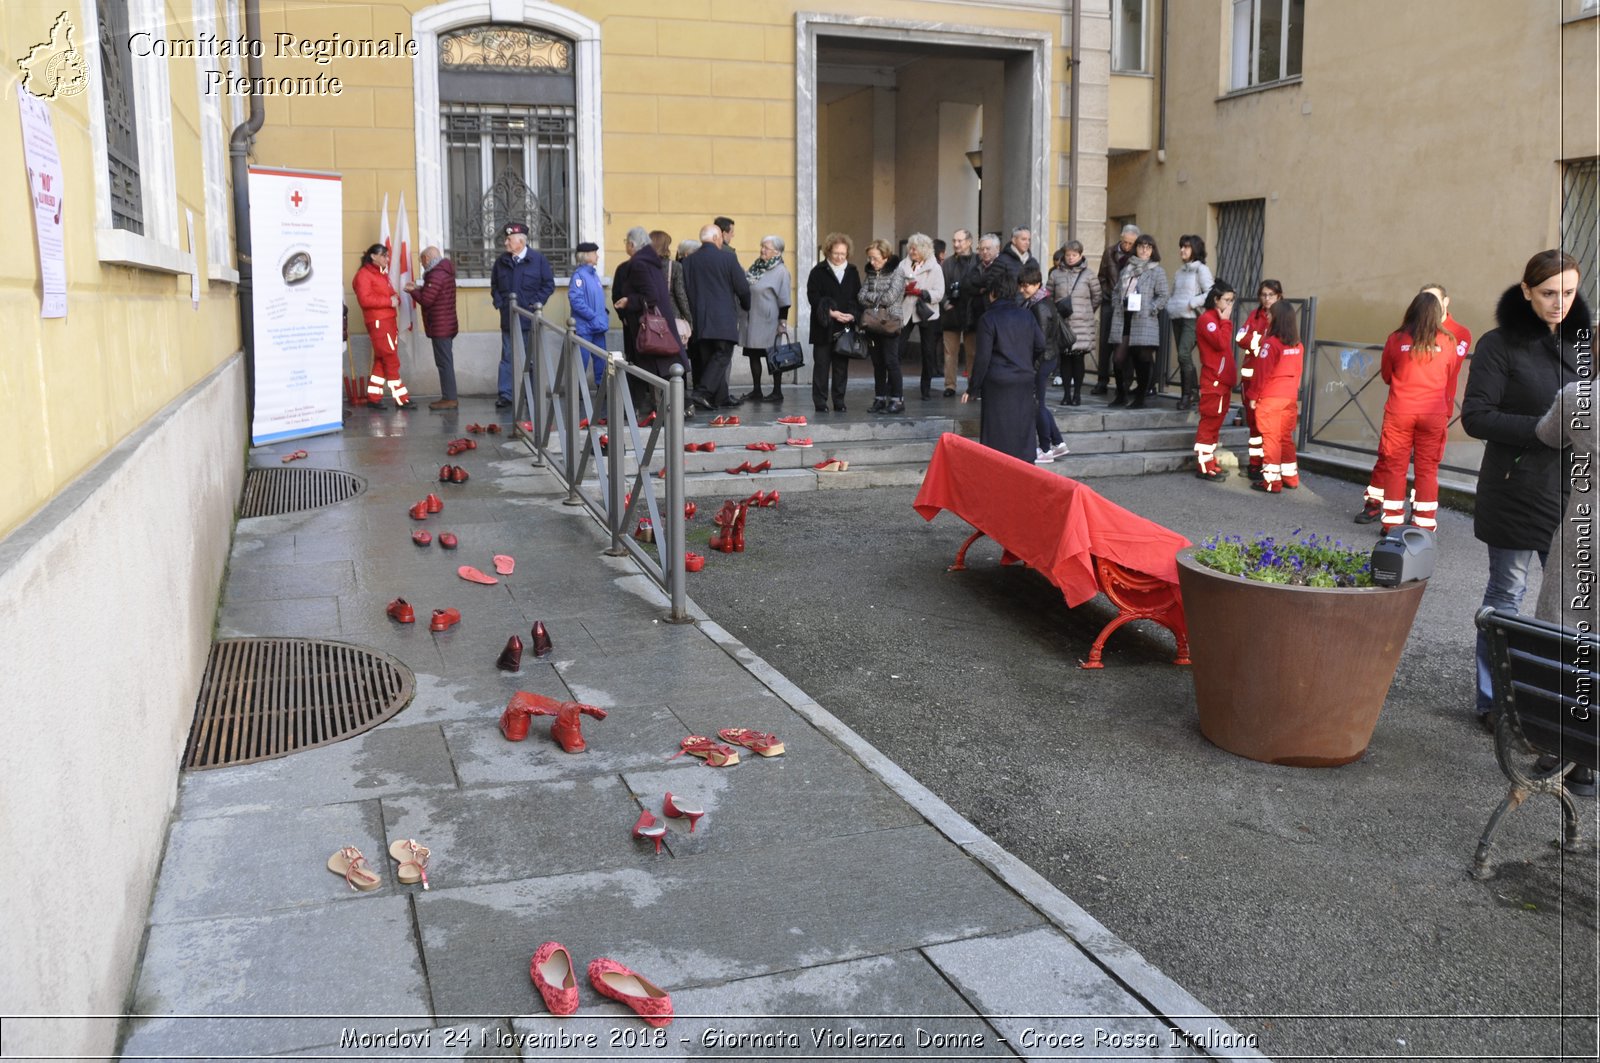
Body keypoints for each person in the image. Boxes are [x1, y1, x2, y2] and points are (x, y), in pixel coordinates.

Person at [1462, 249, 1588, 732]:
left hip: (1572, 492)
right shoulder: (1499, 345)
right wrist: (1544, 428)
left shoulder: (1584, 343)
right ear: (1526, 292)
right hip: (1516, 489)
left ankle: (1560, 706)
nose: (1560, 303)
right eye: (1549, 294)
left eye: (1570, 293)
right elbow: (1476, 416)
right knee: (1507, 595)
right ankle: (1495, 702)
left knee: (1571, 602)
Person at [1357, 283, 1473, 523]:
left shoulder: (1396, 338)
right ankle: (1423, 522)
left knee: (1395, 468)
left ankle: (1391, 522)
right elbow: (1450, 371)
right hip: (1433, 413)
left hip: (1400, 411)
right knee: (1427, 470)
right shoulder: (1449, 340)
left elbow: (1387, 375)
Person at [961, 272, 1045, 464]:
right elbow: (1040, 345)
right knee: (1021, 428)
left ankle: (997, 470)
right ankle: (1023, 469)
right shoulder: (1027, 315)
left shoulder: (988, 318)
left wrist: (973, 388)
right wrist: (1026, 363)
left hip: (997, 381)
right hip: (1023, 379)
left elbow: (982, 357)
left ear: (993, 293)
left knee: (997, 431)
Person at [614, 224, 688, 419]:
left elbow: (651, 296)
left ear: (631, 244)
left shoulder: (638, 264)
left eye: (626, 243)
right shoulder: (651, 261)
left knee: (655, 373)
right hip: (660, 326)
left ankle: (663, 415)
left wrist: (629, 301)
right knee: (661, 373)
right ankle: (666, 413)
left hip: (650, 328)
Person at [682, 223, 751, 410]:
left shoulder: (688, 262)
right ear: (715, 238)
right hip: (723, 320)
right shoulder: (728, 258)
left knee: (708, 359)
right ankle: (702, 392)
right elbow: (743, 288)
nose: (721, 241)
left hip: (699, 319)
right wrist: (747, 305)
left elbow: (684, 291)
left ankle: (720, 398)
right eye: (720, 237)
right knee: (722, 356)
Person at [489, 222, 554, 409]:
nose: (506, 243)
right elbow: (494, 287)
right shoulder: (501, 262)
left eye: (509, 239)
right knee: (508, 358)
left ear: (521, 240)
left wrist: (535, 304)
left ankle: (532, 394)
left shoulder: (538, 260)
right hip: (508, 319)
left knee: (531, 359)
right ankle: (506, 395)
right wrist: (500, 303)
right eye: (506, 239)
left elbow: (548, 285)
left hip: (530, 320)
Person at [1247, 300, 1305, 493]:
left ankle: (1271, 482)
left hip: (1271, 398)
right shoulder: (1298, 345)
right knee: (1285, 438)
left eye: (1270, 314)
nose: (1267, 317)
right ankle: (1291, 477)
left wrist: (1253, 396)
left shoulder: (1270, 344)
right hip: (1289, 398)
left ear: (1277, 319)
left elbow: (1261, 374)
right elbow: (1298, 373)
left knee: (1270, 439)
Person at [1107, 234, 1168, 409]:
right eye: (1141, 246)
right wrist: (1117, 304)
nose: (1144, 250)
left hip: (1144, 320)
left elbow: (1163, 295)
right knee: (1118, 358)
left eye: (1148, 247)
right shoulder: (1127, 268)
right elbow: (1117, 290)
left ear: (1152, 250)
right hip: (1124, 317)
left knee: (1142, 358)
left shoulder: (1157, 270)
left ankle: (1141, 396)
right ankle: (1121, 394)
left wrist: (1151, 308)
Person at [1020, 264, 1071, 463]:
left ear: (1037, 285)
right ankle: (1058, 443)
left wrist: (1033, 367)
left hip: (1043, 360)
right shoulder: (1042, 301)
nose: (1023, 289)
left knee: (1037, 404)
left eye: (1027, 286)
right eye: (1022, 285)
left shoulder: (1039, 306)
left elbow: (1040, 341)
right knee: (1039, 402)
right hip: (1048, 358)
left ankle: (1045, 448)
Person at [806, 233, 861, 413]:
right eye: (836, 253)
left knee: (840, 367)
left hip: (844, 327)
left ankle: (839, 401)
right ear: (828, 251)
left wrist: (852, 315)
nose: (839, 257)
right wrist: (830, 313)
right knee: (821, 366)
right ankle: (820, 402)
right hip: (824, 326)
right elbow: (813, 296)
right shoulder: (818, 271)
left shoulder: (852, 272)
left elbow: (857, 296)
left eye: (842, 254)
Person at [353, 243, 411, 410]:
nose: (387, 258)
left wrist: (395, 299)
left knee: (382, 359)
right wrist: (389, 301)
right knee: (391, 359)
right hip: (379, 322)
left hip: (388, 321)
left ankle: (373, 397)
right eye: (384, 255)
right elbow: (365, 300)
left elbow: (392, 295)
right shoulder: (363, 275)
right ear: (373, 256)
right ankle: (401, 398)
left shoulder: (381, 275)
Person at [1236, 279, 1283, 480]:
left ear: (1279, 297)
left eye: (1271, 295)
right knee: (1254, 424)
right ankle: (1255, 465)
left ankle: (1270, 465)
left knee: (1270, 427)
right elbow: (1240, 338)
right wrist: (1258, 343)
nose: (1267, 299)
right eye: (1264, 295)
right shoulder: (1255, 316)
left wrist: (1257, 342)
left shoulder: (1283, 318)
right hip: (1251, 378)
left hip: (1271, 380)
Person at [1191, 282, 1238, 480]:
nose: (1230, 305)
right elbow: (1220, 343)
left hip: (1223, 381)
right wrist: (1226, 321)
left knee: (1216, 424)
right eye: (1226, 300)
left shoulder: (1218, 319)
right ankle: (1204, 465)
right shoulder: (1208, 319)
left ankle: (1210, 461)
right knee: (1209, 423)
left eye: (1232, 301)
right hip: (1214, 382)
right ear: (1216, 300)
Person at [739, 235, 793, 404]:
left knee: (774, 356)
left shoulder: (781, 271)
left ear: (777, 252)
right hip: (752, 318)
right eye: (762, 246)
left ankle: (777, 391)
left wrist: (782, 323)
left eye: (766, 248)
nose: (762, 250)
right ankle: (757, 391)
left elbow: (785, 299)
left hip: (770, 321)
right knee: (753, 355)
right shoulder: (756, 267)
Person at [405, 245, 458, 410]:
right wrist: (420, 288)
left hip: (440, 325)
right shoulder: (444, 272)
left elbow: (427, 300)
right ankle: (449, 396)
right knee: (445, 361)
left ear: (427, 258)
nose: (422, 264)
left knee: (444, 363)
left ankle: (449, 398)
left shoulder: (435, 275)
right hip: (446, 323)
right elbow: (434, 293)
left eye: (422, 261)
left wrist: (413, 291)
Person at [1048, 240, 1101, 406]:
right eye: (1068, 255)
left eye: (1074, 255)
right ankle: (1066, 394)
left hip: (1082, 324)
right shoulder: (1056, 274)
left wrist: (1085, 311)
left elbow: (1097, 296)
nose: (1070, 258)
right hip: (1062, 323)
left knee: (1078, 359)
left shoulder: (1089, 274)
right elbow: (1048, 295)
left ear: (1080, 255)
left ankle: (1077, 393)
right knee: (1064, 359)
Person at [858, 239, 908, 414]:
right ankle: (880, 398)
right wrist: (877, 297)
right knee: (877, 363)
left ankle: (897, 399)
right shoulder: (871, 273)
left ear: (885, 256)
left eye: (875, 258)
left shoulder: (898, 272)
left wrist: (873, 297)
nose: (872, 262)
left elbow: (891, 297)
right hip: (872, 323)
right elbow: (860, 295)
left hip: (890, 322)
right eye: (870, 258)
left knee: (891, 361)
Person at [1166, 235, 1216, 410]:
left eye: (1186, 247)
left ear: (1195, 249)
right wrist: (1171, 304)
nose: (1182, 250)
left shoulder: (1201, 269)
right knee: (1182, 357)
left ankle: (1187, 395)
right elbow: (1174, 292)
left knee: (1183, 354)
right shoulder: (1179, 271)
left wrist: (1193, 302)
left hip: (1192, 318)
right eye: (1181, 247)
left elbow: (1211, 293)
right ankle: (1193, 392)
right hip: (1177, 316)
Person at [897, 232, 946, 400]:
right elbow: (894, 287)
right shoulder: (903, 265)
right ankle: (894, 386)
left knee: (928, 351)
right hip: (906, 311)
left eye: (915, 249)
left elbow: (939, 293)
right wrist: (904, 291)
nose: (911, 251)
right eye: (910, 248)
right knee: (897, 348)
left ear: (924, 250)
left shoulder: (935, 267)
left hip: (927, 313)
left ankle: (926, 389)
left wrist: (921, 292)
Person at [1094, 224, 1139, 394]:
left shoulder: (1137, 256)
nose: (1127, 246)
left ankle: (1126, 382)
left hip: (1128, 305)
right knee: (1105, 342)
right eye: (1125, 242)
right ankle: (1102, 380)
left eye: (1131, 243)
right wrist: (1107, 293)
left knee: (1124, 343)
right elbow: (1101, 277)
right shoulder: (1109, 252)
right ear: (1121, 238)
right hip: (1109, 302)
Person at [940, 229, 981, 397]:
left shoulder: (978, 261)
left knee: (972, 352)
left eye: (960, 241)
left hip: (972, 311)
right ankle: (950, 385)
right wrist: (945, 303)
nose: (956, 244)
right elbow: (940, 286)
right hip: (952, 312)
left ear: (969, 242)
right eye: (954, 241)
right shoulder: (948, 263)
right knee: (950, 352)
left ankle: (972, 385)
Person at [567, 241, 610, 399]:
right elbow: (576, 300)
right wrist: (592, 316)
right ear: (586, 256)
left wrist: (603, 315)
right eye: (594, 253)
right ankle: (576, 390)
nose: (597, 256)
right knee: (581, 360)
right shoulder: (579, 276)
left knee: (601, 360)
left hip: (598, 326)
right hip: (585, 326)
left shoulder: (594, 275)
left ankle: (602, 387)